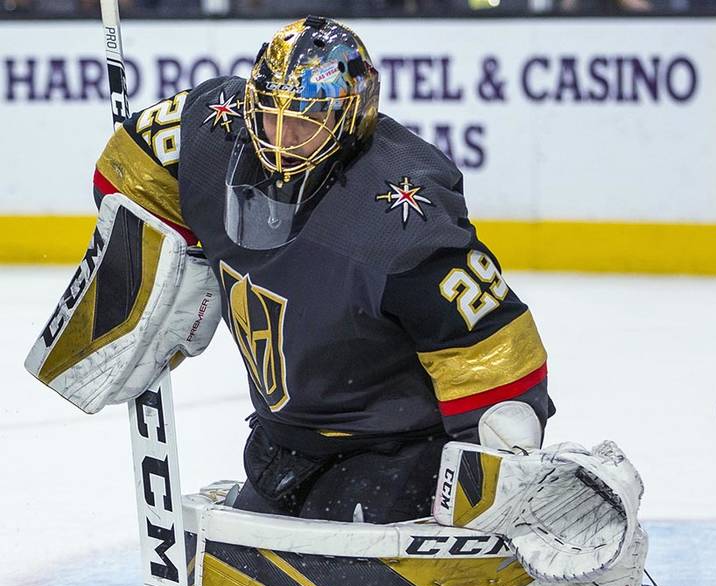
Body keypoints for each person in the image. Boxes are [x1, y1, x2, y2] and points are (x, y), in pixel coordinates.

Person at [91, 15, 553, 524]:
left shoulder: (403, 221)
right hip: (280, 444)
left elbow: (495, 353)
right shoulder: (213, 131)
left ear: (350, 118)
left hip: (395, 451)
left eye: (306, 122)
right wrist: (159, 260)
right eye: (271, 115)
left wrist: (496, 477)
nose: (282, 139)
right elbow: (130, 165)